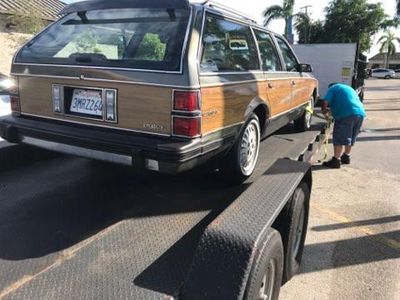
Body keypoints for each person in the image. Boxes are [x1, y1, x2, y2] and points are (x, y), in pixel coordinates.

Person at [321, 83, 366, 168]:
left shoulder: (332, 88)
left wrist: (324, 112)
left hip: (345, 115)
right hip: (360, 113)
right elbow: (347, 101)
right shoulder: (349, 89)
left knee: (339, 137)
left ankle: (336, 160)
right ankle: (346, 156)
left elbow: (325, 102)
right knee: (351, 136)